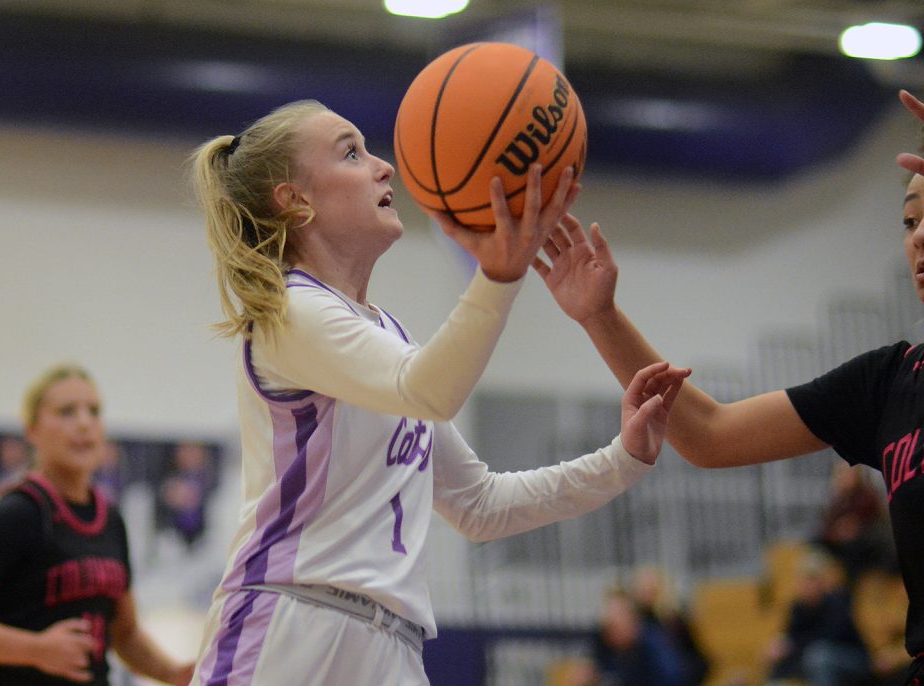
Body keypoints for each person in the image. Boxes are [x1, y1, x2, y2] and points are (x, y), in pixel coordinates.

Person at [186, 99, 691, 685]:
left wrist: (623, 459)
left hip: (393, 646)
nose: (385, 167)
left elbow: (479, 505)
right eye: (351, 152)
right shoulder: (290, 311)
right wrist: (498, 275)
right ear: (295, 199)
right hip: (292, 628)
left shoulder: (388, 337)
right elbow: (428, 390)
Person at [530, 89, 924, 685]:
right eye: (909, 220)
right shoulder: (890, 381)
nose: (917, 236)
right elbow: (711, 435)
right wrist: (599, 316)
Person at [0, 364, 194, 686]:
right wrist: (36, 649)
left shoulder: (111, 519)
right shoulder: (19, 513)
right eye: (66, 412)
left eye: (93, 411)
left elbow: (125, 633)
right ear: (32, 430)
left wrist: (174, 673)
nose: (83, 423)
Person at [763, 549, 872, 686]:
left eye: (812, 579)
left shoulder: (838, 601)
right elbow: (792, 637)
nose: (807, 585)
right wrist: (780, 647)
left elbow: (827, 638)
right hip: (815, 659)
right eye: (803, 580)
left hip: (855, 661)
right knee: (778, 659)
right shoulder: (797, 608)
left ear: (823, 582)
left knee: (818, 656)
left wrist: (791, 646)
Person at [629, 565, 710, 686]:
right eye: (644, 588)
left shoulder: (674, 622)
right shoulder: (632, 624)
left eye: (653, 589)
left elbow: (698, 659)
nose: (649, 593)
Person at [593, 587, 684, 686]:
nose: (612, 621)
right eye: (609, 618)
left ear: (634, 620)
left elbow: (673, 677)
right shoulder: (603, 645)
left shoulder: (654, 646)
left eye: (619, 615)